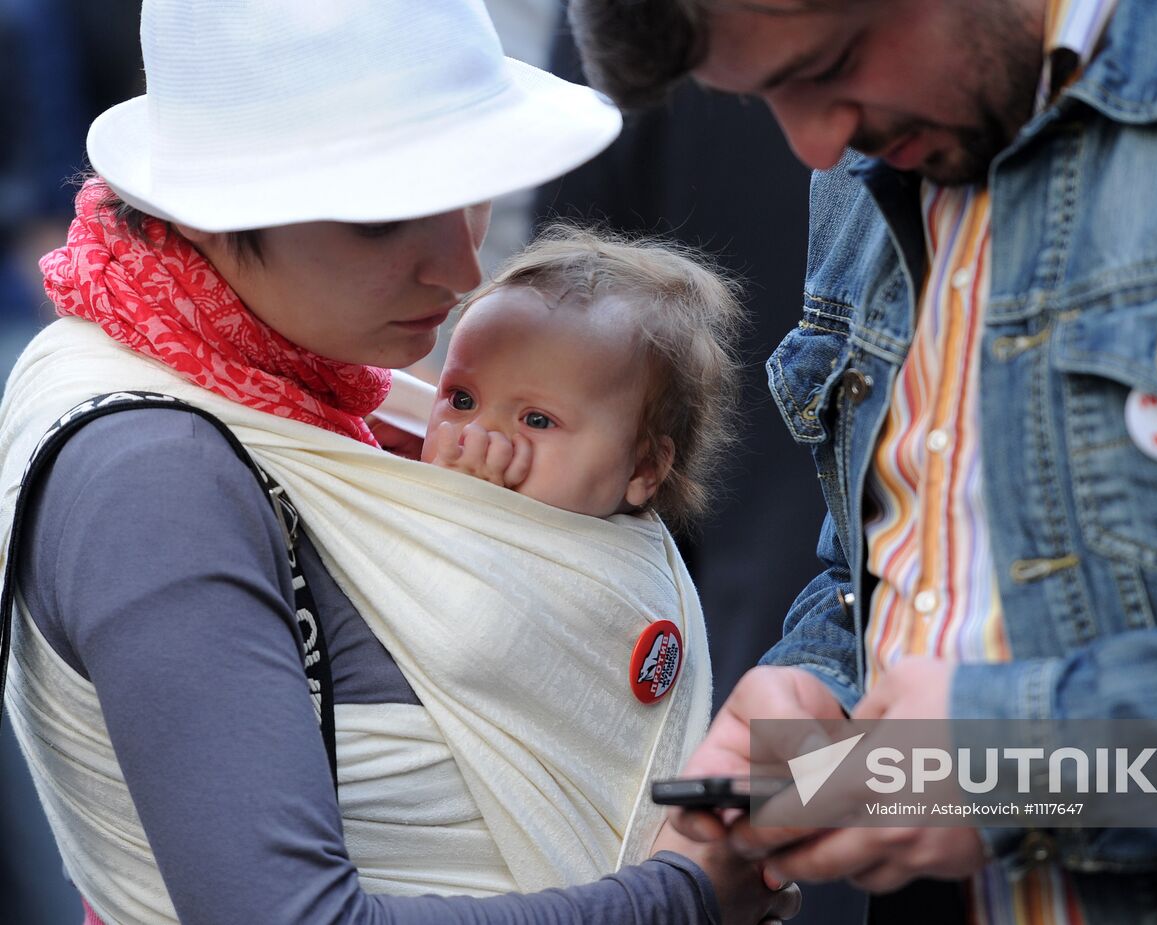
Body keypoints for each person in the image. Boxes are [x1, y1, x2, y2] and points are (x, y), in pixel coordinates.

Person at [568, 0, 1157, 921]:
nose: (813, 141)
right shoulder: (867, 165)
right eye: (764, 97)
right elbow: (905, 559)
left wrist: (1026, 764)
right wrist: (819, 685)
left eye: (832, 62)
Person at [0, 1, 802, 923]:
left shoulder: (318, 391)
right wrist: (687, 896)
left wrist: (944, 781)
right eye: (384, 218)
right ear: (211, 209)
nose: (461, 268)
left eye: (476, 186)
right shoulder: (156, 476)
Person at [421, 226, 740, 533]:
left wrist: (458, 511)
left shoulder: (597, 572)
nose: (475, 433)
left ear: (644, 467)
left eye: (537, 420)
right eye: (461, 400)